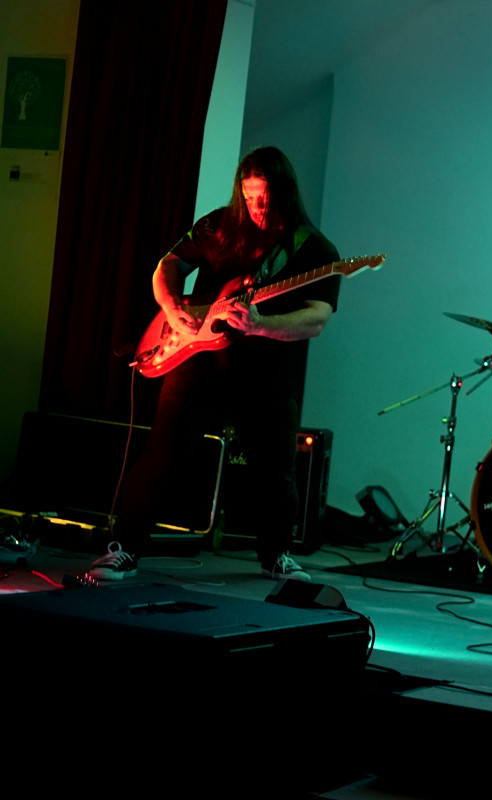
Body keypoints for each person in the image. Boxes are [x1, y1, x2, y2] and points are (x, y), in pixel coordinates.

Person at [89, 147, 340, 582]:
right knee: (162, 455)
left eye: (265, 198)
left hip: (266, 373)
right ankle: (125, 548)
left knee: (274, 470)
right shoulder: (217, 225)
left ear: (285, 193)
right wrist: (172, 308)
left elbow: (316, 319)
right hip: (198, 360)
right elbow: (168, 265)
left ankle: (276, 554)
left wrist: (260, 324)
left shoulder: (313, 248)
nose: (257, 208)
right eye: (250, 196)